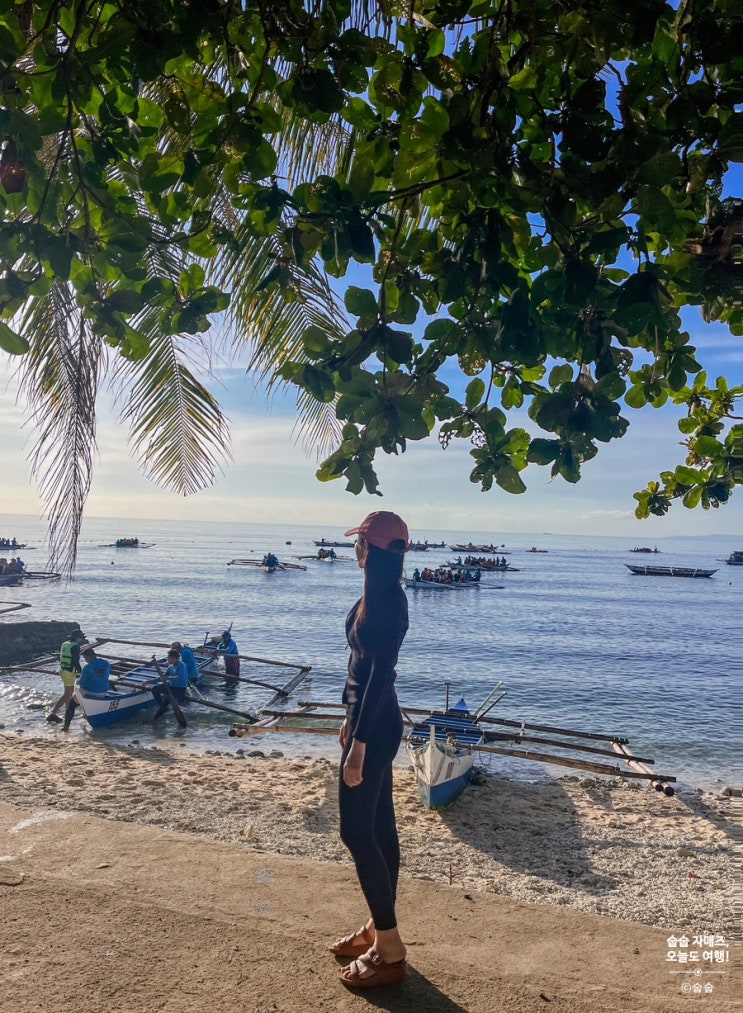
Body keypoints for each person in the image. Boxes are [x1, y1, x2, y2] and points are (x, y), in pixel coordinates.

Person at [329, 510, 410, 990]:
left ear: (370, 550)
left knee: (356, 833)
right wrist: (348, 716)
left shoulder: (386, 603)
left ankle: (391, 949)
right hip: (370, 721)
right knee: (379, 828)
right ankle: (379, 930)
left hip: (375, 729)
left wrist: (359, 743)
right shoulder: (378, 596)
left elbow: (380, 677)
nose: (354, 548)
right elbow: (359, 668)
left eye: (358, 541)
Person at [63, 647, 112, 731]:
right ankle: (85, 713)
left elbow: (82, 682)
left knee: (71, 705)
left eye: (85, 658)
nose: (85, 660)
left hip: (90, 693)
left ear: (87, 657)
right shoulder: (107, 663)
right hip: (103, 693)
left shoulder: (87, 667)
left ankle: (65, 727)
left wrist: (77, 681)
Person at [47, 630, 85, 724]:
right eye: (81, 638)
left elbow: (62, 657)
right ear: (77, 638)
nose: (81, 640)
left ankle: (68, 713)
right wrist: (81, 673)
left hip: (63, 670)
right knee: (68, 694)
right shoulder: (75, 646)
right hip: (69, 672)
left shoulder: (65, 644)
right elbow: (75, 661)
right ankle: (53, 713)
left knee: (68, 693)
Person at [151, 648, 189, 719]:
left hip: (180, 688)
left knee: (168, 699)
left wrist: (168, 678)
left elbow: (180, 678)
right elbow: (163, 677)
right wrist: (150, 681)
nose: (167, 660)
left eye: (168, 658)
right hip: (171, 686)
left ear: (174, 658)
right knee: (154, 689)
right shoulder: (170, 666)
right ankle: (163, 707)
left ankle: (156, 717)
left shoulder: (182, 665)